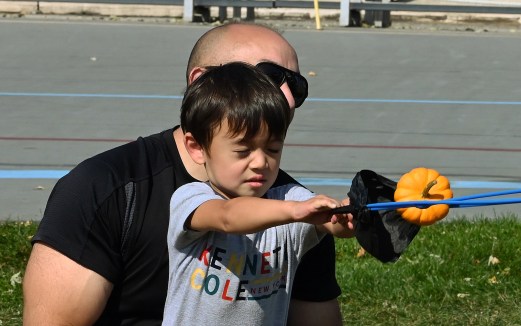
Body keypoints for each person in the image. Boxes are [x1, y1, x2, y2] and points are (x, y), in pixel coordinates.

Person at [23, 22, 345, 325]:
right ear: (201, 82)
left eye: (297, 87)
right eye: (268, 78)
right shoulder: (106, 188)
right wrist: (296, 213)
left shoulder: (294, 204)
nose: (286, 98)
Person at [163, 62, 353, 325]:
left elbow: (332, 227)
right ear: (197, 148)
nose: (261, 162)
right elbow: (228, 217)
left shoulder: (289, 198)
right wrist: (296, 212)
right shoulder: (191, 198)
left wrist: (347, 218)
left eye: (273, 149)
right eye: (243, 151)